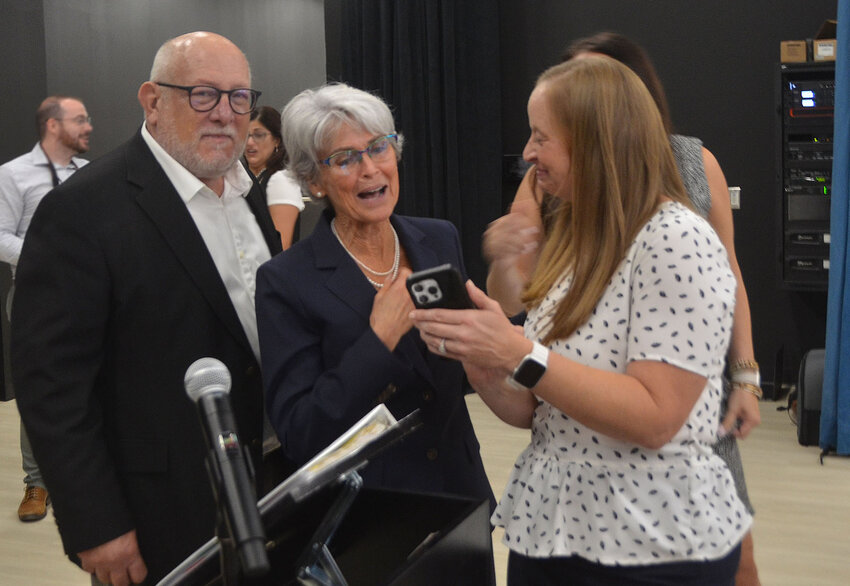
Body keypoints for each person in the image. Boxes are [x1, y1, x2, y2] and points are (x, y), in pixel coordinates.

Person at [412, 56, 751, 585]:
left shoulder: (677, 240)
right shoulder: (574, 237)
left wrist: (517, 351)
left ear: (596, 142)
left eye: (540, 137)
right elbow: (539, 410)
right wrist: (482, 364)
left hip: (653, 543)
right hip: (559, 527)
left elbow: (657, 417)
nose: (527, 153)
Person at [12, 31, 281, 586]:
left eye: (239, 98)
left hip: (266, 483)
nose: (227, 114)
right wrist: (96, 524)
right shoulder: (82, 212)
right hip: (160, 510)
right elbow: (52, 387)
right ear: (153, 101)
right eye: (204, 94)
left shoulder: (247, 190)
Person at [256, 83, 493, 507]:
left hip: (460, 495)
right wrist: (379, 340)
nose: (370, 169)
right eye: (345, 159)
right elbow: (300, 432)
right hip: (372, 518)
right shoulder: (286, 280)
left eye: (379, 148)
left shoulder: (438, 238)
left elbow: (466, 362)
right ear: (314, 181)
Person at [0, 95, 92, 522]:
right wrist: (47, 256)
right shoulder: (13, 175)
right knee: (39, 387)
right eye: (79, 120)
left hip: (90, 294)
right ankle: (37, 483)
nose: (88, 127)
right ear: (53, 126)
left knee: (94, 380)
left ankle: (89, 469)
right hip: (37, 296)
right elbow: (0, 236)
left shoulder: (91, 176)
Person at [244, 105, 304, 249]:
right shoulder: (243, 179)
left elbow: (280, 249)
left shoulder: (282, 181)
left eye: (259, 135)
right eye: (245, 135)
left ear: (277, 140)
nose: (250, 142)